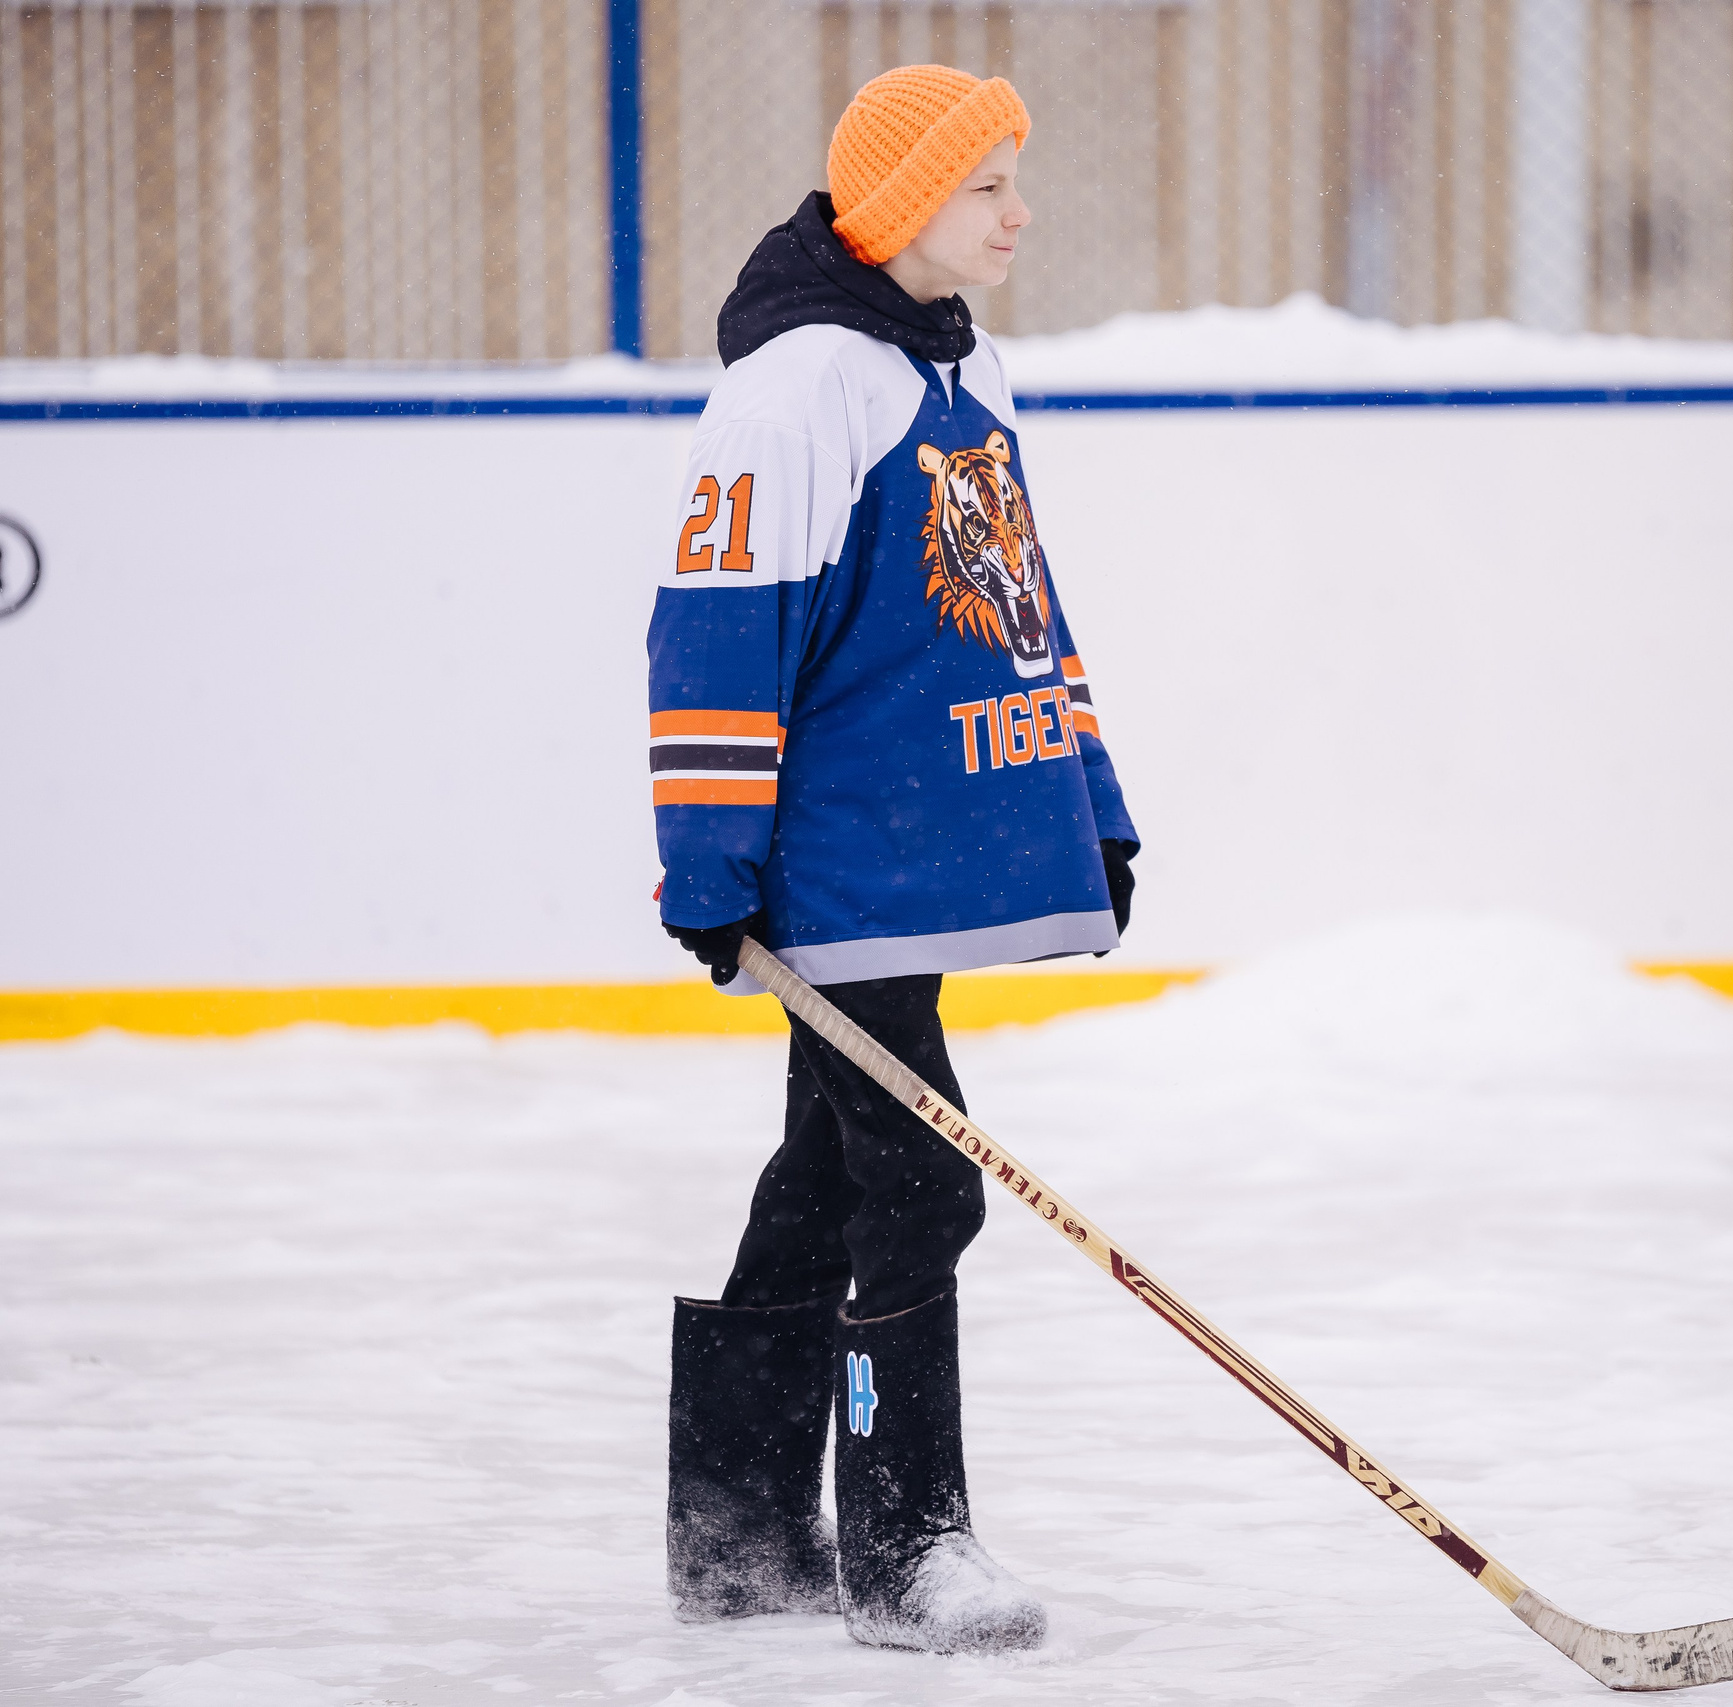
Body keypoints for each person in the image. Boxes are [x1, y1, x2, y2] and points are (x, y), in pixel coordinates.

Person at [645, 65, 1139, 1653]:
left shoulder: (969, 366)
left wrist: (1092, 799)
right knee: (921, 1177)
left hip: (909, 862)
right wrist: (710, 862)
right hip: (836, 866)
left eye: (1014, 179)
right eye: (988, 182)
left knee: (826, 1180)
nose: (1019, 209)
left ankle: (732, 1534)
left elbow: (1019, 614)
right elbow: (719, 630)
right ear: (902, 203)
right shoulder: (797, 388)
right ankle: (909, 1546)